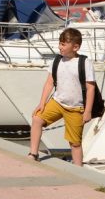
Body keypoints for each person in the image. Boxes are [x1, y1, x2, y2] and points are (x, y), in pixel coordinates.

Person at [28, 27, 94, 166]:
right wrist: (42, 103)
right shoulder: (57, 61)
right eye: (60, 43)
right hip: (57, 102)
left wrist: (88, 111)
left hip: (76, 108)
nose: (60, 47)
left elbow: (90, 88)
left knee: (75, 143)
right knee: (37, 118)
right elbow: (49, 83)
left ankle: (78, 168)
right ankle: (33, 153)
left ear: (75, 47)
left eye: (63, 44)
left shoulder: (84, 63)